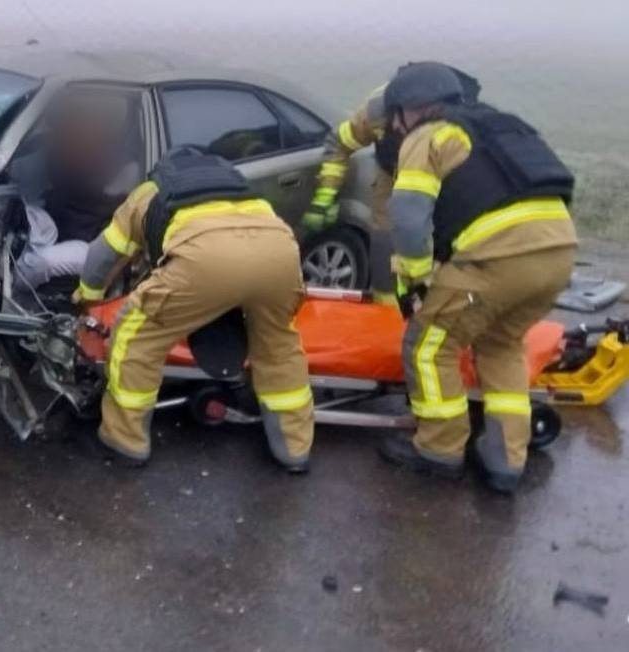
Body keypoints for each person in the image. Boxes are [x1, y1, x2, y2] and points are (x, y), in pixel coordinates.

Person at [376, 61, 576, 494]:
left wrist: (415, 280)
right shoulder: (504, 127)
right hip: (558, 253)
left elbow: (408, 216)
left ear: (410, 108)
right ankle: (506, 459)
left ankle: (439, 449)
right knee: (501, 344)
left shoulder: (427, 136)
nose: (394, 127)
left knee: (429, 347)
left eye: (396, 117)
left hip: (495, 260)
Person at [73, 146, 314, 472]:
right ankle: (294, 449)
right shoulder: (238, 186)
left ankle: (124, 440)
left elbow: (103, 255)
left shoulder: (150, 191)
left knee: (136, 335)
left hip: (205, 258)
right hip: (280, 252)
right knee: (278, 347)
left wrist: (86, 300)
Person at [303, 67, 481, 302]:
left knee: (448, 244)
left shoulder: (463, 124)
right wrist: (325, 198)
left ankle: (440, 299)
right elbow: (339, 143)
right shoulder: (376, 112)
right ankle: (387, 304)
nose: (397, 126)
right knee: (385, 242)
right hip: (392, 174)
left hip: (446, 179)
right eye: (394, 120)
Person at [14, 92, 140, 291]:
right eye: (67, 128)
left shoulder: (125, 170)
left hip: (94, 249)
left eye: (79, 127)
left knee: (36, 265)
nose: (66, 136)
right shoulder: (59, 155)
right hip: (56, 231)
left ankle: (10, 295)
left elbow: (125, 228)